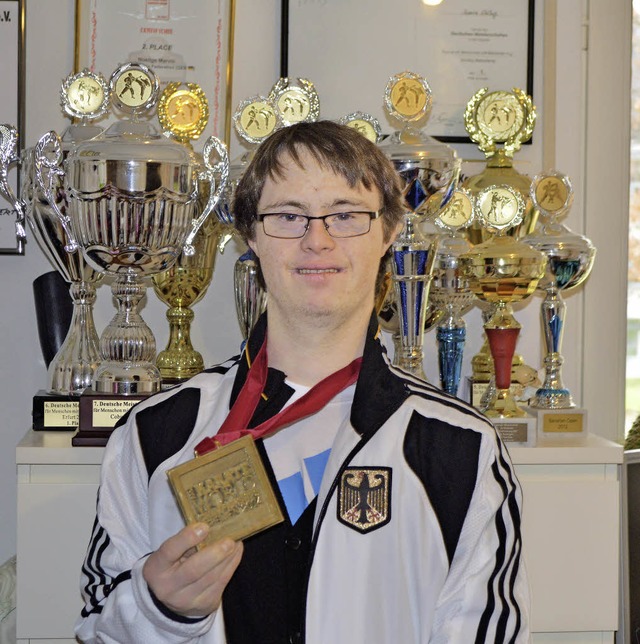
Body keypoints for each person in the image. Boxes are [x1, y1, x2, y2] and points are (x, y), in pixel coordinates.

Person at [75, 120, 530, 643]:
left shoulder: (461, 448)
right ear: (250, 235)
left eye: (345, 215)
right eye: (288, 216)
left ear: (389, 232)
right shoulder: (155, 434)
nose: (318, 239)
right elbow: (95, 628)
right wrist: (158, 611)